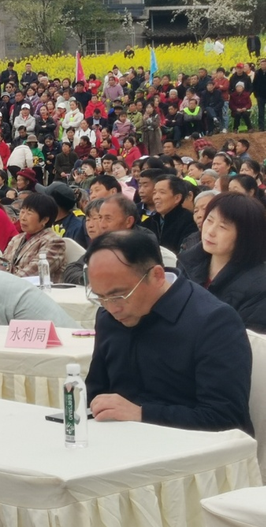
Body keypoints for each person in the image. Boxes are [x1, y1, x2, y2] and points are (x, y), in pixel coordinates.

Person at [83, 231, 252, 434]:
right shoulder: (108, 318)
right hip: (119, 442)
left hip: (194, 453)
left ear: (157, 276)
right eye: (100, 297)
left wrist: (142, 414)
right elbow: (95, 392)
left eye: (119, 295)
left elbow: (226, 419)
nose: (112, 308)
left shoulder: (213, 322)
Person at [177, 193, 266, 333]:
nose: (210, 231)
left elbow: (245, 342)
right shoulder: (187, 262)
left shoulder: (260, 288)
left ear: (245, 235)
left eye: (223, 227)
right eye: (210, 220)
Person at [0, 192, 65, 279]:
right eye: (22, 211)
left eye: (29, 213)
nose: (23, 217)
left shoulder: (53, 242)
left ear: (45, 220)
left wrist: (3, 274)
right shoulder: (17, 238)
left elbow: (31, 273)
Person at [149, 175, 198, 254]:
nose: (156, 197)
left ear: (177, 198)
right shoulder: (150, 221)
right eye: (154, 193)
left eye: (162, 192)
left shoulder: (189, 221)